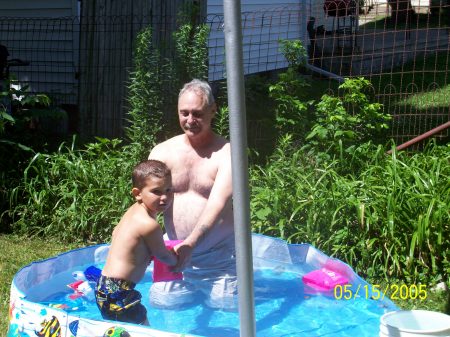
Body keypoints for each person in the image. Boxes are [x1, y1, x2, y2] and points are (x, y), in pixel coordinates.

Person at [148, 79, 237, 309]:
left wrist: (191, 244)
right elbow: (146, 204)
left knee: (227, 306)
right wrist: (148, 243)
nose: (190, 120)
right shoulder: (163, 151)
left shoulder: (227, 153)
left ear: (213, 110)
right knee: (163, 302)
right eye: (184, 113)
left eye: (197, 113)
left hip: (218, 256)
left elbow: (218, 203)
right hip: (174, 251)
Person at [95, 159, 178, 325]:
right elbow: (163, 256)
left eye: (168, 190)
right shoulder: (149, 225)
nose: (165, 197)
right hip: (120, 290)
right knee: (143, 330)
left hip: (105, 285)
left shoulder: (133, 212)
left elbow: (117, 233)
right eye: (156, 191)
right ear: (137, 193)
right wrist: (179, 259)